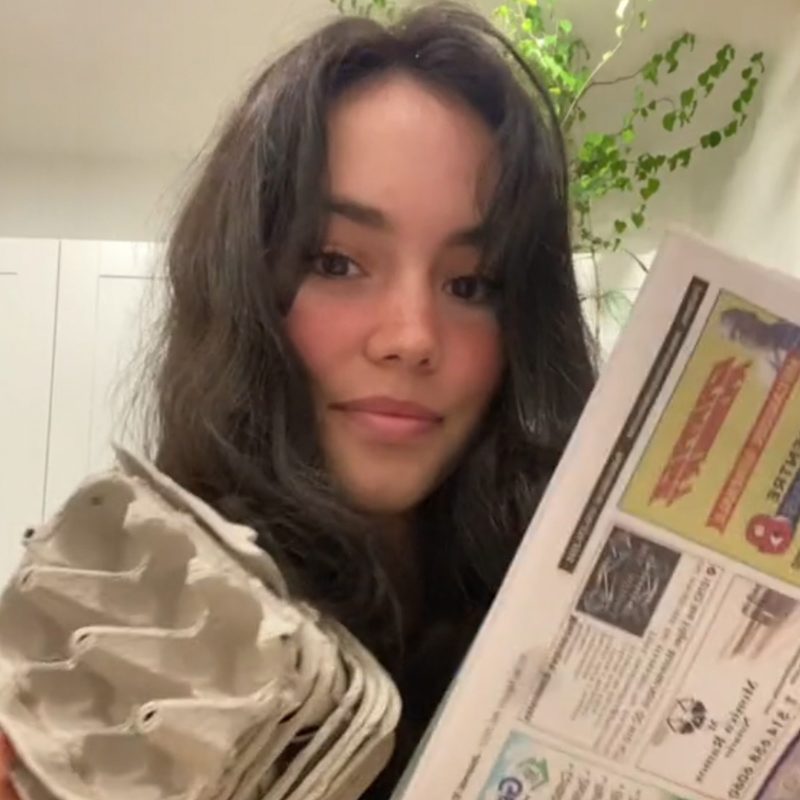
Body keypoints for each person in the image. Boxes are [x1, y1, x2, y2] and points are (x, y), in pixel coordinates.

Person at [0, 3, 594, 798]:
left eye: (471, 284)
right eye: (338, 263)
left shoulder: (553, 628)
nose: (412, 337)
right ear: (247, 288)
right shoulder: (120, 646)